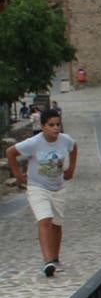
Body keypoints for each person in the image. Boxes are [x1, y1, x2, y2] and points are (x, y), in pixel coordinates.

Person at [6, 108, 77, 276]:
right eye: (51, 125)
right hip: (38, 187)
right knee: (45, 220)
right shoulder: (33, 143)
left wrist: (71, 169)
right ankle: (47, 261)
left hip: (58, 187)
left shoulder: (65, 140)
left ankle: (55, 257)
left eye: (58, 125)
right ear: (43, 126)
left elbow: (74, 148)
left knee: (57, 224)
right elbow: (10, 152)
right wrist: (17, 174)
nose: (55, 128)